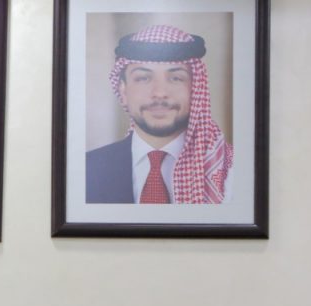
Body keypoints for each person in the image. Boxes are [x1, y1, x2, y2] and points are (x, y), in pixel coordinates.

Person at [85, 24, 233, 204]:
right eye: (143, 78)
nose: (159, 93)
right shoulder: (87, 170)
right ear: (123, 92)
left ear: (195, 89)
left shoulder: (232, 171)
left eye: (175, 78)